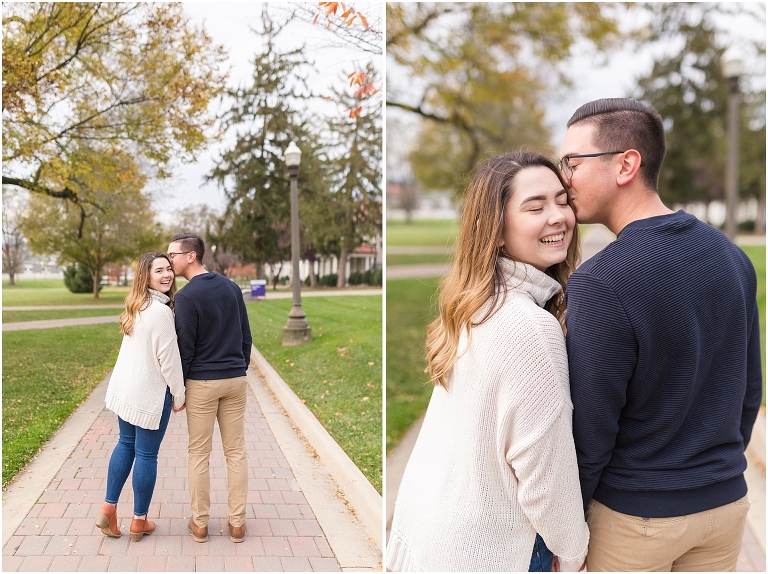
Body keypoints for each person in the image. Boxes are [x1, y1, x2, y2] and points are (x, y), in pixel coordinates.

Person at [560, 98, 762, 571]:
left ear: (626, 164)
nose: (563, 178)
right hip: (725, 507)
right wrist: (715, 472)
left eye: (572, 162)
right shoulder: (732, 257)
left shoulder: (601, 281)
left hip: (637, 520)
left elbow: (592, 429)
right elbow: (750, 390)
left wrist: (568, 528)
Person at [386, 151, 589, 572]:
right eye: (535, 207)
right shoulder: (531, 328)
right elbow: (546, 477)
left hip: (434, 539)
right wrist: (574, 555)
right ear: (495, 230)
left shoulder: (473, 305)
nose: (558, 217)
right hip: (495, 552)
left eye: (562, 201)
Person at [167, 232, 252, 544]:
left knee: (199, 453)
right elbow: (246, 336)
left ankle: (200, 523)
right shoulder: (232, 287)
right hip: (235, 380)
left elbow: (185, 350)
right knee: (236, 451)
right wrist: (238, 368)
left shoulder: (186, 297)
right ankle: (237, 524)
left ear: (191, 256)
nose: (169, 261)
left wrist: (180, 390)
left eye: (173, 255)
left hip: (202, 383)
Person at [96, 252, 186, 541]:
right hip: (148, 393)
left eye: (168, 269)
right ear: (145, 276)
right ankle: (139, 520)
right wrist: (179, 394)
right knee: (146, 454)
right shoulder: (161, 312)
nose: (167, 274)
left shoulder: (136, 304)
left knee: (125, 443)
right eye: (158, 270)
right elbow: (169, 361)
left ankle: (108, 508)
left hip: (126, 389)